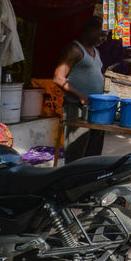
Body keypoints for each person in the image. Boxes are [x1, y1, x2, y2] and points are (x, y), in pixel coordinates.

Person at [54, 17, 108, 161]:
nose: (104, 39)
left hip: (95, 108)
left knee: (93, 152)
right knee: (76, 150)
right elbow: (58, 78)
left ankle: (89, 180)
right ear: (90, 31)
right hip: (76, 107)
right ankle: (72, 181)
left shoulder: (96, 52)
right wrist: (80, 96)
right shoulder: (75, 49)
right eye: (102, 34)